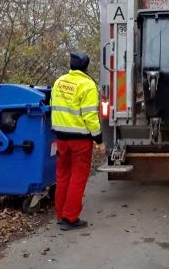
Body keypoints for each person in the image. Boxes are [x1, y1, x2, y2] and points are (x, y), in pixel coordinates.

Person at [51, 51, 102, 231]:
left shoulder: (59, 82)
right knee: (77, 178)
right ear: (86, 67)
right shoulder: (87, 85)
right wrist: (97, 136)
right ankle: (70, 218)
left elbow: (54, 108)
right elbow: (89, 115)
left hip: (61, 138)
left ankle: (60, 214)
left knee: (62, 176)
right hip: (80, 140)